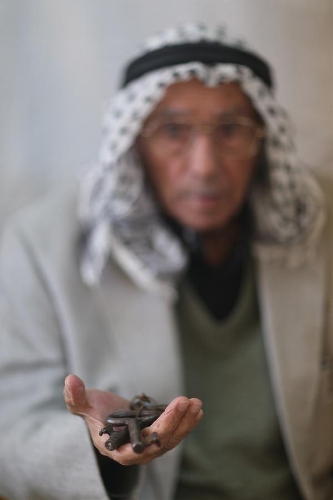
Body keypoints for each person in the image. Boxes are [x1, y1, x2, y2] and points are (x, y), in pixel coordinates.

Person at [0, 22, 331, 500]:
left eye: (232, 129)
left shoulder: (319, 223)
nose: (205, 165)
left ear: (264, 141)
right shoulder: (41, 247)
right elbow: (9, 430)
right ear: (134, 142)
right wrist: (98, 448)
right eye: (173, 130)